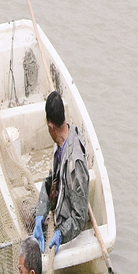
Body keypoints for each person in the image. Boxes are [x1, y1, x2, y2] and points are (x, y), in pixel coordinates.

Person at [32, 90, 89, 256]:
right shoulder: (60, 142)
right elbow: (51, 181)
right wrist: (40, 215)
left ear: (50, 125)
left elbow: (79, 217)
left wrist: (60, 233)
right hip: (56, 209)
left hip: (66, 225)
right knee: (27, 214)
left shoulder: (75, 163)